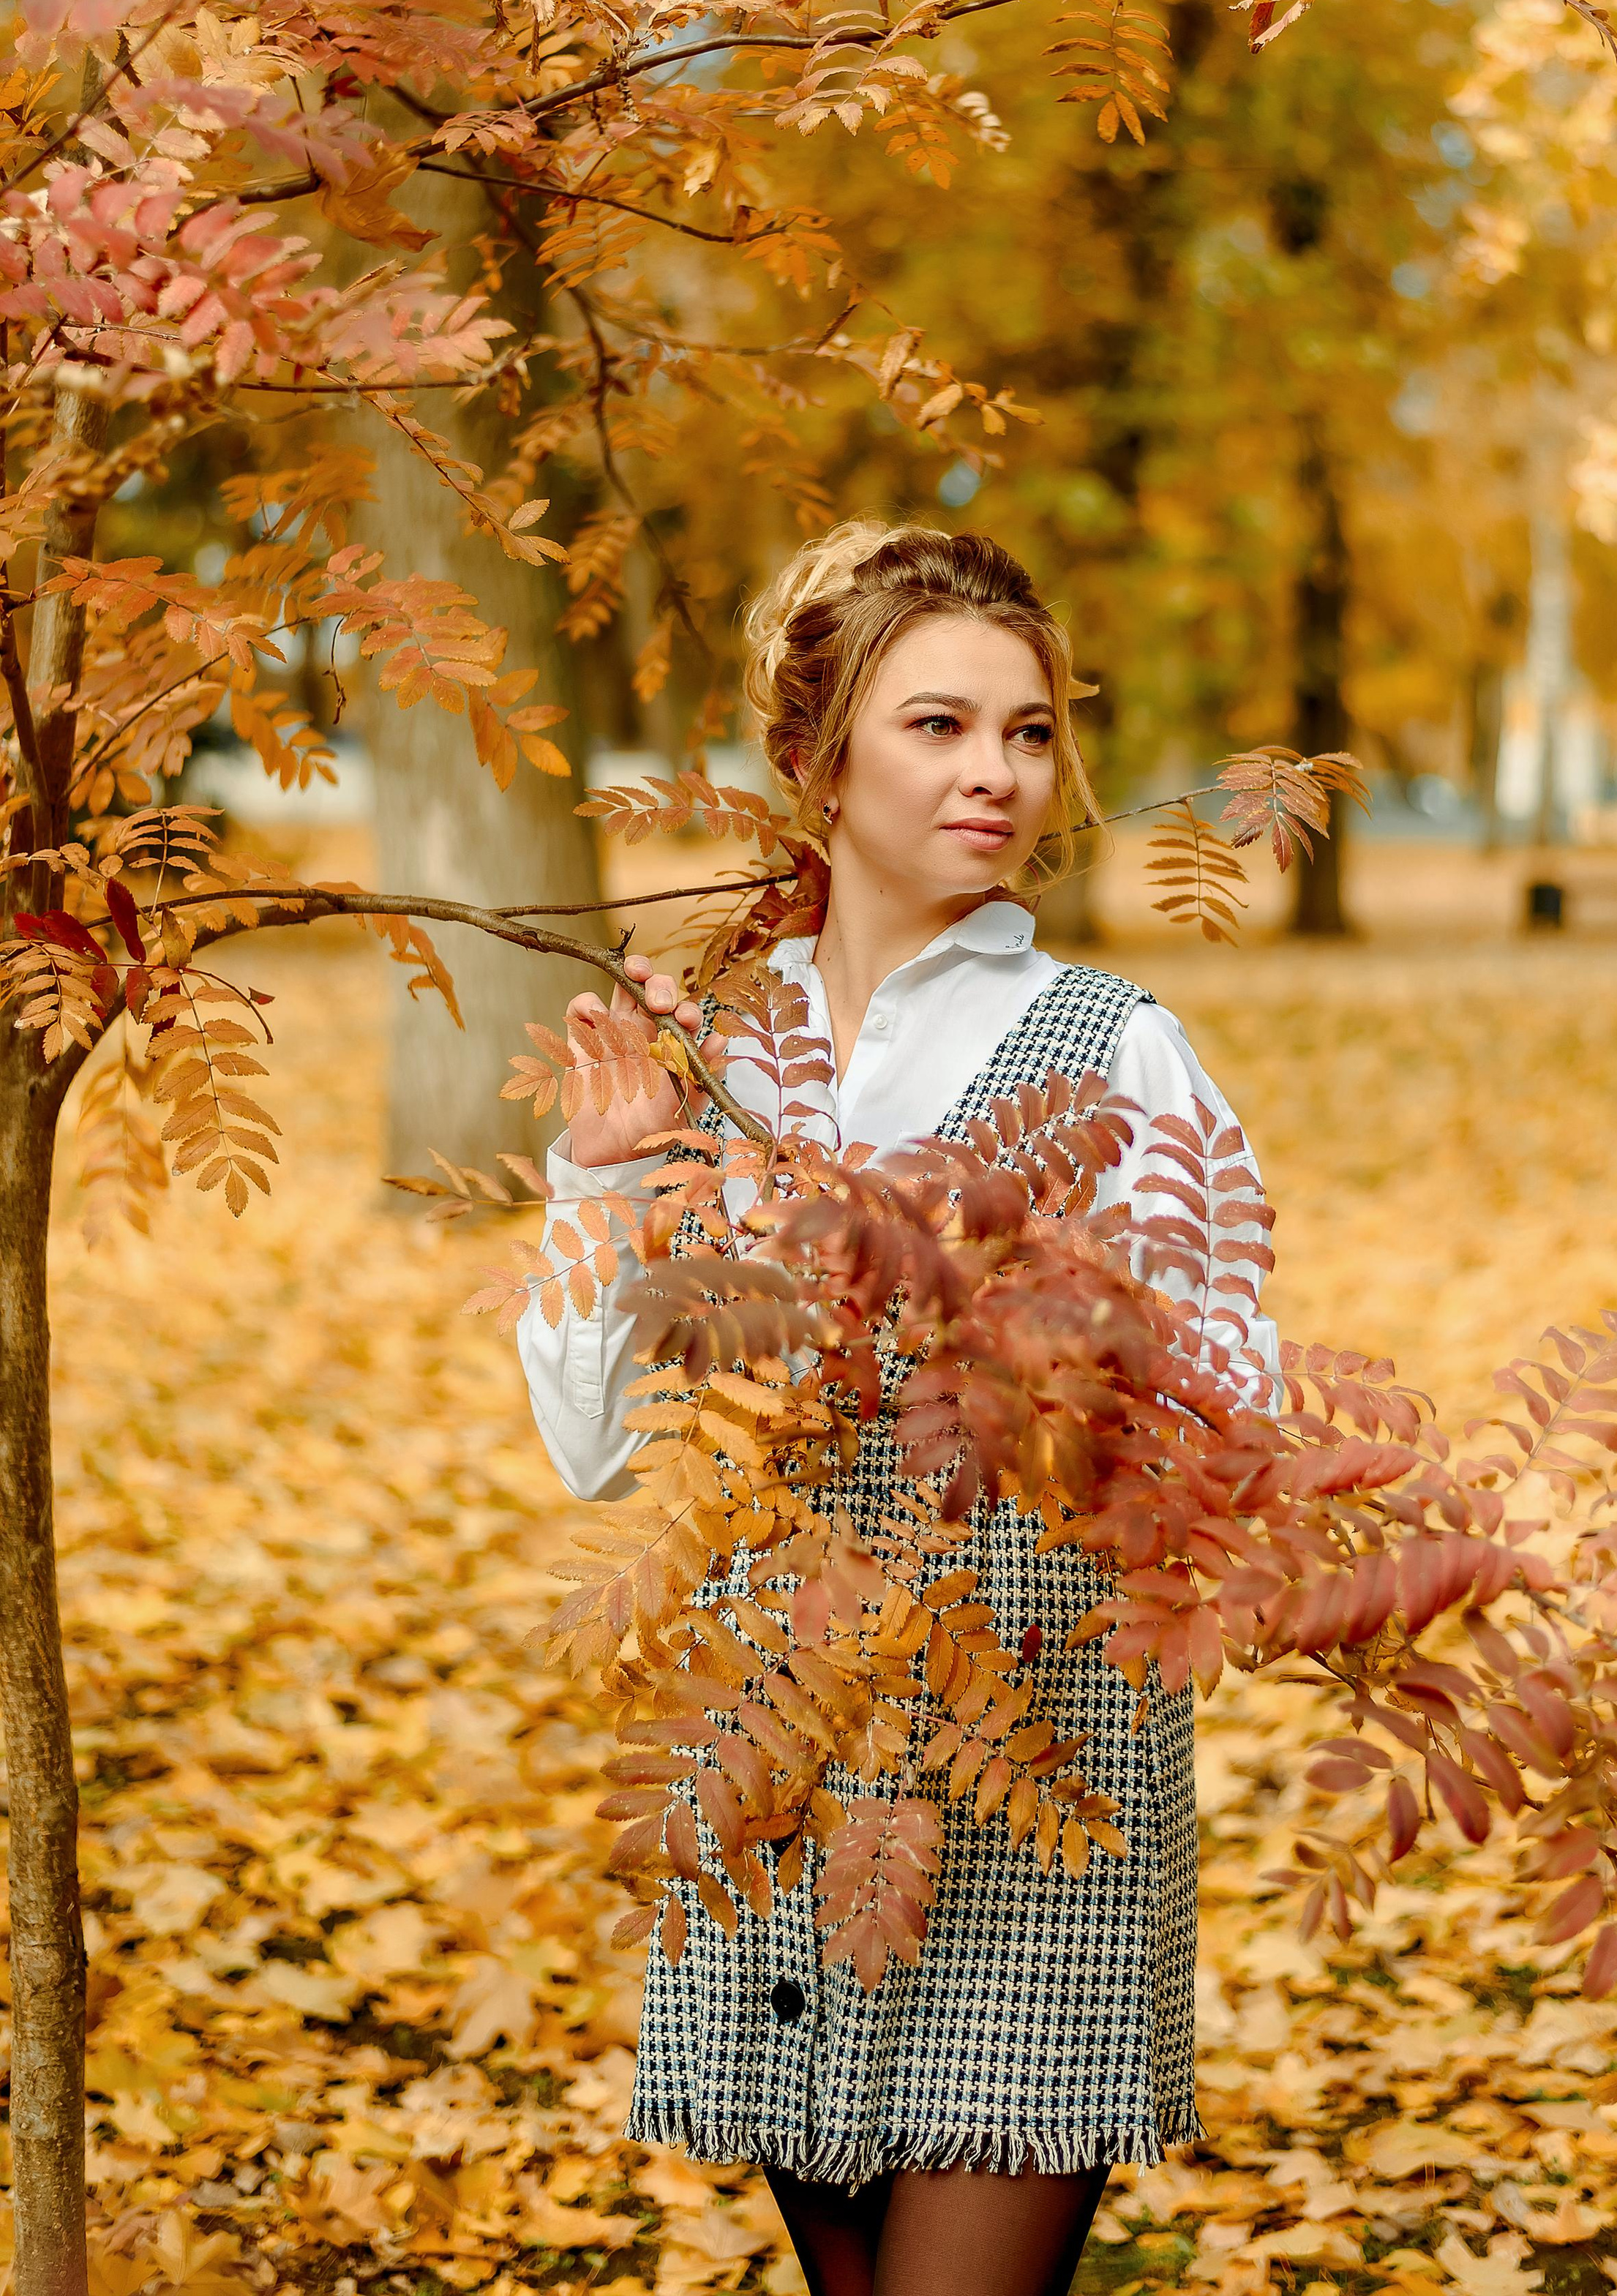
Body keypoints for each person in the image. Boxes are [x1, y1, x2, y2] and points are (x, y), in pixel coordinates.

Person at [517, 522, 1280, 2296]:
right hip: (781, 1747)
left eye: (1026, 732)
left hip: (1034, 1758)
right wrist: (600, 1180)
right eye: (938, 726)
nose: (995, 773)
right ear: (817, 755)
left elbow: (1223, 1408)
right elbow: (598, 1444)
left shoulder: (1112, 1043)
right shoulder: (722, 1047)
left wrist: (975, 1297)